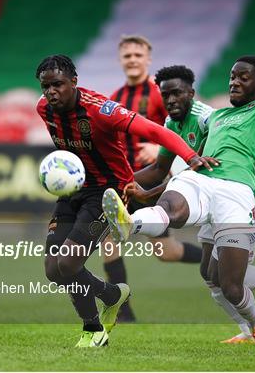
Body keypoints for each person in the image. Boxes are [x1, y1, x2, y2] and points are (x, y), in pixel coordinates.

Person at [103, 4, 255, 355]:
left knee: (230, 284)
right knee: (171, 208)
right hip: (202, 181)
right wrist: (145, 184)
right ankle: (129, 224)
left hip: (239, 193)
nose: (235, 81)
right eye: (232, 76)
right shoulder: (217, 117)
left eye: (243, 77)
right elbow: (179, 164)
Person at [124, 64, 255, 344]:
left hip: (250, 195)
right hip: (210, 187)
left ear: (191, 93)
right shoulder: (175, 123)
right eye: (165, 95)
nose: (170, 100)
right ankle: (250, 328)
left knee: (230, 278)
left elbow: (202, 166)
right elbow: (170, 170)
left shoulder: (207, 118)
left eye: (176, 93)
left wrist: (148, 195)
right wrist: (115, 182)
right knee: (210, 275)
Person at [35, 54, 210, 347]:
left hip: (108, 192)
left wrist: (190, 157)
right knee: (53, 270)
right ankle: (112, 294)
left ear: (74, 82)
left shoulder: (101, 110)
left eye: (58, 85)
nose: (51, 92)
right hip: (73, 190)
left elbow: (155, 131)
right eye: (45, 87)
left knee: (68, 263)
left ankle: (93, 330)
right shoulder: (44, 109)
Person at [102, 35, 203, 323]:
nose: (132, 59)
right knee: (108, 240)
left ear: (148, 59)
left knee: (166, 252)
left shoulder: (162, 93)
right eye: (127, 55)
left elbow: (183, 125)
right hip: (124, 182)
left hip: (153, 181)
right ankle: (123, 309)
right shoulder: (115, 98)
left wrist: (157, 146)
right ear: (121, 60)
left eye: (138, 54)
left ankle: (214, 256)